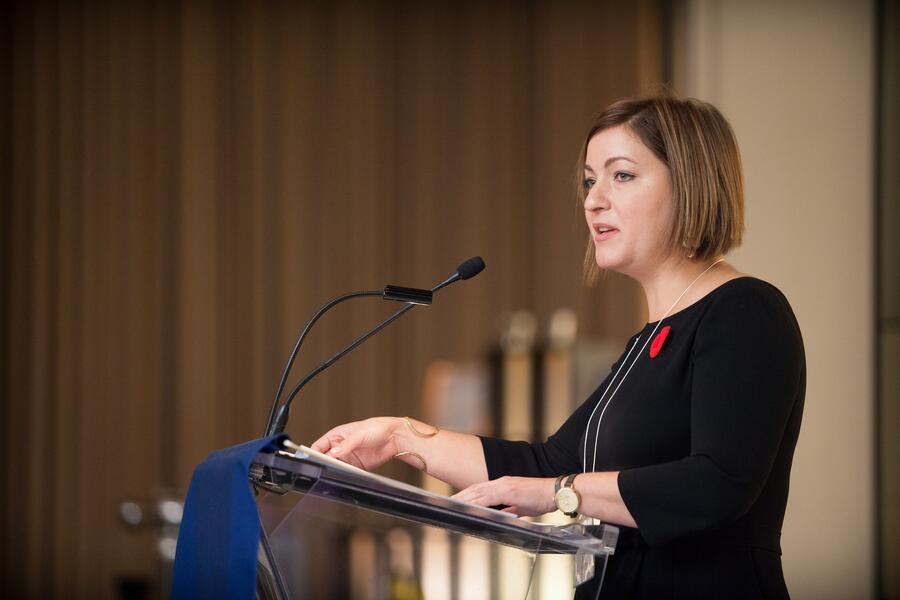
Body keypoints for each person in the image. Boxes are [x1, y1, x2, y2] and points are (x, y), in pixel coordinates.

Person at [312, 95, 805, 599]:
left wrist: (560, 494)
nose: (593, 200)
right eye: (590, 180)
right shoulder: (648, 341)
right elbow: (550, 463)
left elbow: (719, 483)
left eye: (622, 175)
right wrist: (400, 438)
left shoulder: (745, 311)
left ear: (690, 183)